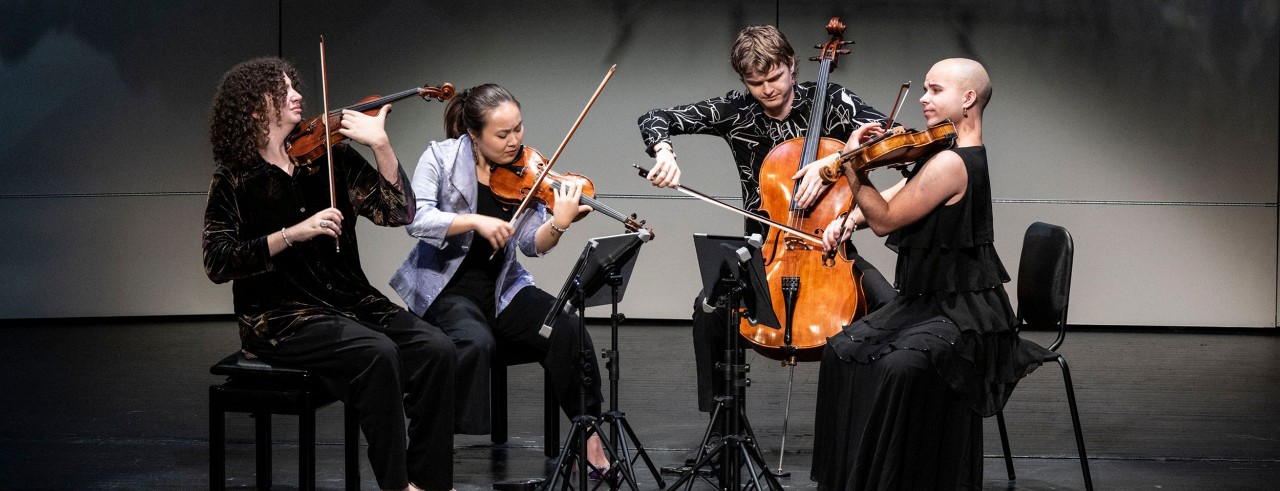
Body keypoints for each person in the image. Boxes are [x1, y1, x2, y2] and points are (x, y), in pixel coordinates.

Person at [202, 57, 457, 491]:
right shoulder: (233, 180)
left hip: (348, 299)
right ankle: (397, 486)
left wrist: (381, 146)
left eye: (295, 86)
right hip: (281, 316)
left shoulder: (328, 154)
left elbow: (398, 212)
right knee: (377, 354)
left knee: (437, 348)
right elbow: (218, 260)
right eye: (282, 91)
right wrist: (290, 234)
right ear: (253, 108)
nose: (298, 95)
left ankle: (431, 482)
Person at [810, 58, 1052, 490]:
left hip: (962, 310)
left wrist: (851, 162)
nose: (923, 98)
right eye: (924, 88)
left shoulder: (951, 164)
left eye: (935, 90)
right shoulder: (943, 153)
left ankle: (899, 478)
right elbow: (901, 193)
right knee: (840, 351)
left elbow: (885, 219)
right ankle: (856, 479)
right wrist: (848, 220)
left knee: (899, 367)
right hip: (930, 300)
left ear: (968, 98)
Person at [635, 24, 898, 417]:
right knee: (708, 310)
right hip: (763, 251)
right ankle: (723, 427)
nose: (768, 90)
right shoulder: (738, 110)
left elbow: (894, 140)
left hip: (829, 245)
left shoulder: (833, 100)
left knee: (891, 307)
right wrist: (664, 152)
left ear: (792, 65)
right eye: (756, 83)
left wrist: (836, 161)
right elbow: (655, 118)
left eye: (775, 77)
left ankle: (868, 425)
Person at [390, 83, 613, 473]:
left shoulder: (526, 170)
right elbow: (416, 219)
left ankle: (588, 438)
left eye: (519, 129)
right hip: (445, 289)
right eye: (502, 134)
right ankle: (435, 450)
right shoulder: (440, 158)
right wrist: (474, 220)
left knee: (566, 328)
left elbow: (530, 243)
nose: (515, 141)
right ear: (473, 134)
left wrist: (558, 225)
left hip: (502, 289)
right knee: (475, 341)